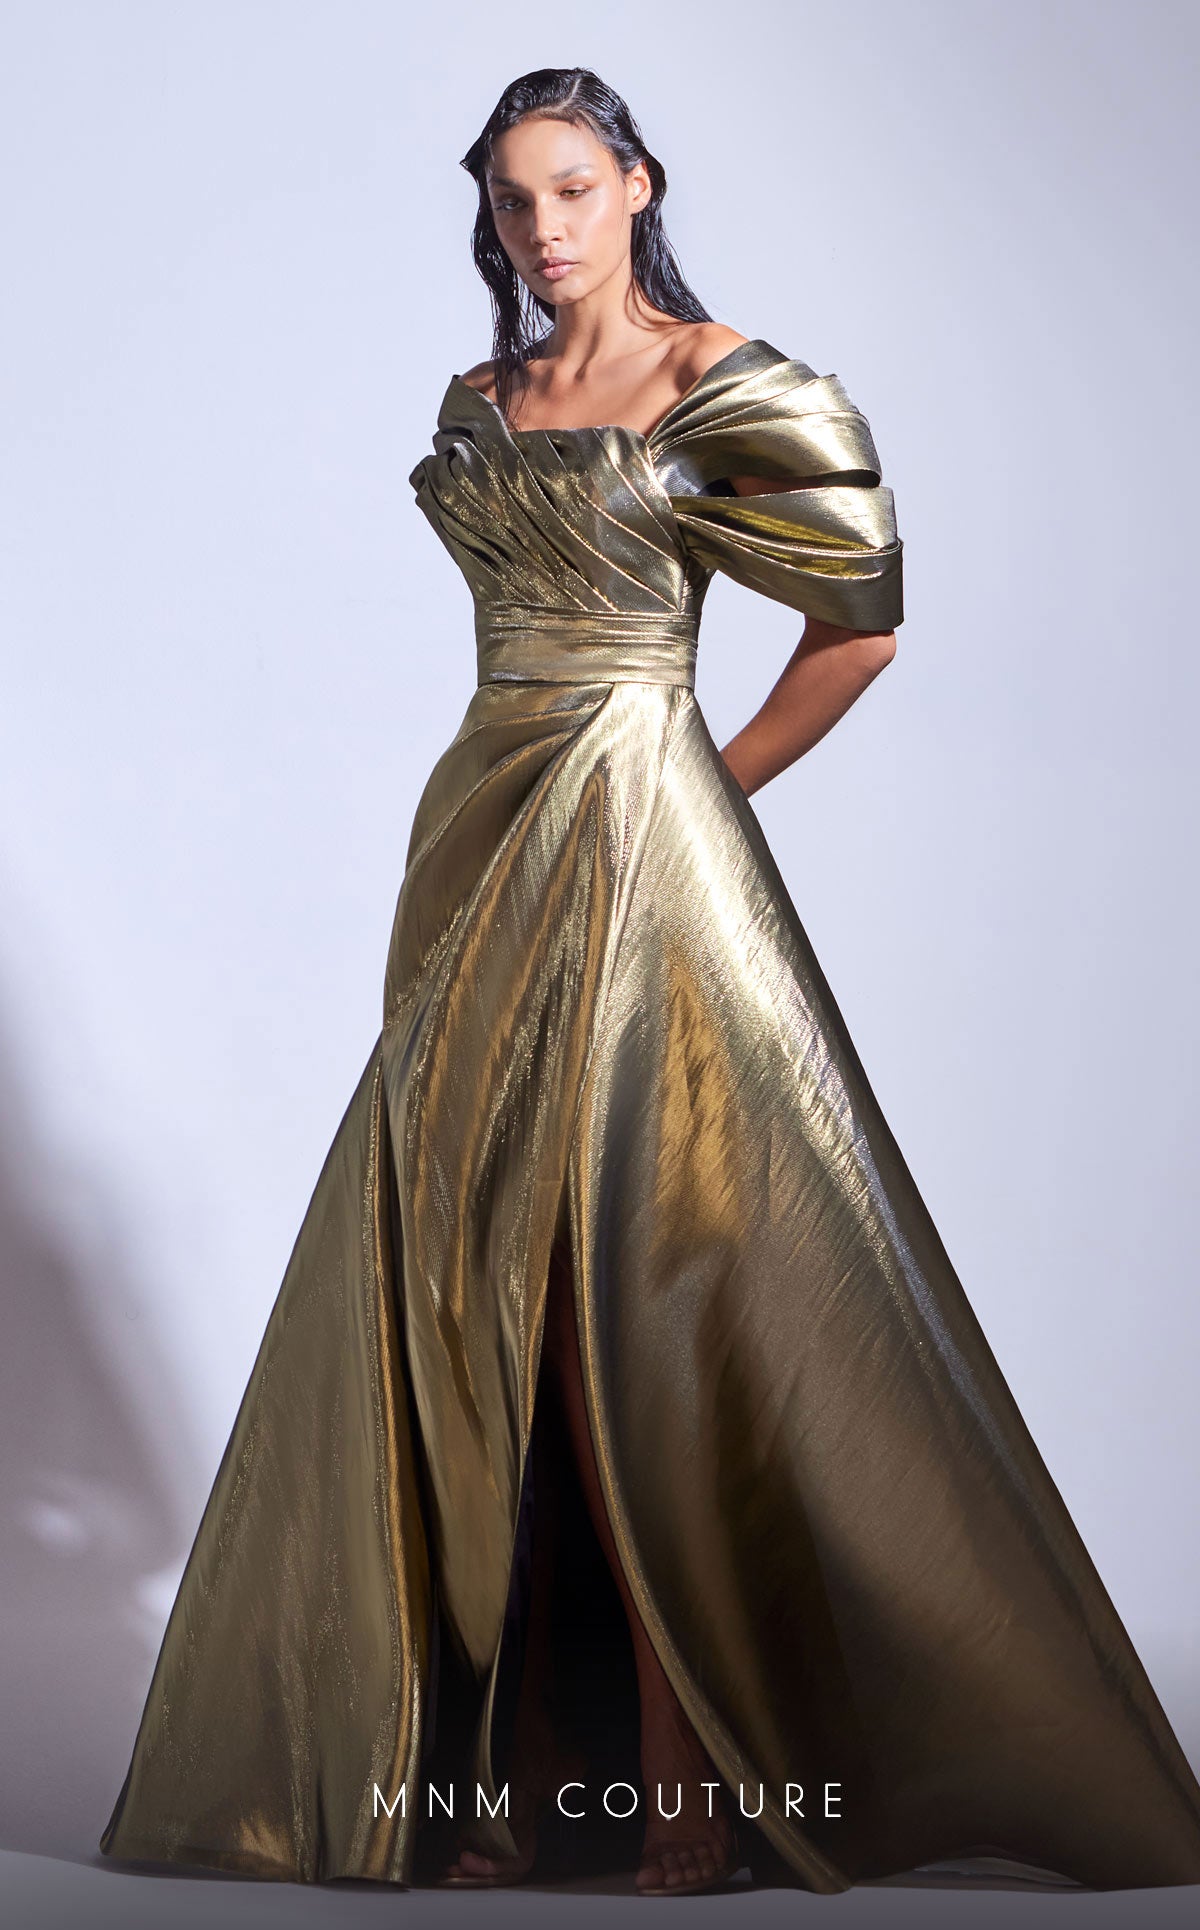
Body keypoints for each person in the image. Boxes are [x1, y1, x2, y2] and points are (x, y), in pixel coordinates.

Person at [98, 66, 1200, 1901]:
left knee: (633, 1289)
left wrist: (702, 785)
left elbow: (860, 626)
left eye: (571, 188)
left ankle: (685, 1779)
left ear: (637, 185)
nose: (542, 228)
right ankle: (508, 1775)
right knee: (477, 1275)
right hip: (480, 827)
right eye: (511, 200)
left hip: (641, 839)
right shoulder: (481, 400)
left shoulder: (722, 383)